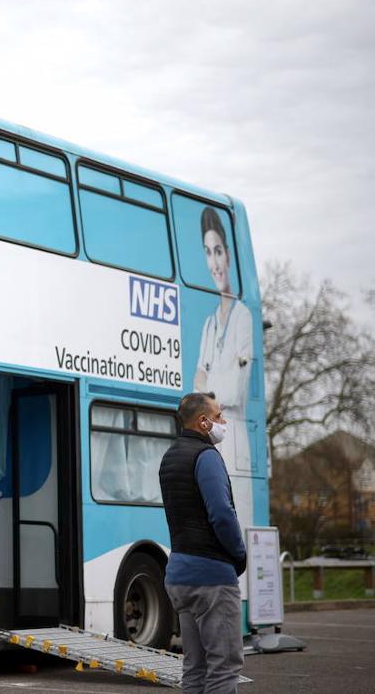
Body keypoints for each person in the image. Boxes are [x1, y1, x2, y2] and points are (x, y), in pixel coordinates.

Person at [159, 391, 247, 694]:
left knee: (194, 669)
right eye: (219, 415)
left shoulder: (170, 457)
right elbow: (221, 514)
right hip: (211, 577)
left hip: (180, 574)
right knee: (224, 667)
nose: (224, 422)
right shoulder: (206, 456)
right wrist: (239, 555)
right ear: (203, 421)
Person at [193, 206, 253, 477]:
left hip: (235, 443)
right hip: (212, 443)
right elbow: (196, 387)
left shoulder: (244, 318)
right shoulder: (209, 324)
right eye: (208, 252)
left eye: (218, 251)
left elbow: (235, 391)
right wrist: (213, 388)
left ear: (228, 255)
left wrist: (209, 386)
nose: (214, 263)